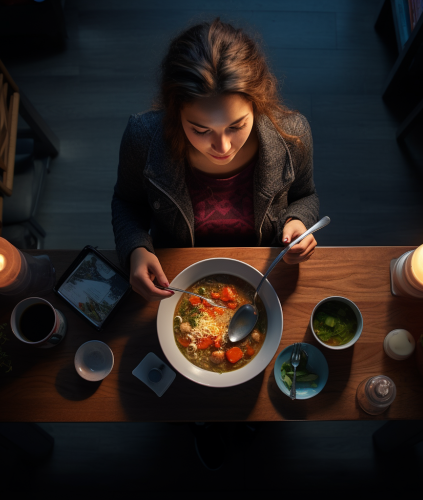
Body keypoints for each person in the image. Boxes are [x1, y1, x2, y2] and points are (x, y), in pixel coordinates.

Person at [111, 18, 319, 469]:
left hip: (265, 271)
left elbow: (305, 196)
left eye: (237, 126)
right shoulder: (143, 138)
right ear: (173, 111)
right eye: (199, 129)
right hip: (175, 283)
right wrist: (136, 248)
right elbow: (126, 204)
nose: (220, 146)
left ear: (258, 104)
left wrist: (299, 222)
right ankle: (204, 423)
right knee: (182, 388)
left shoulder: (292, 133)